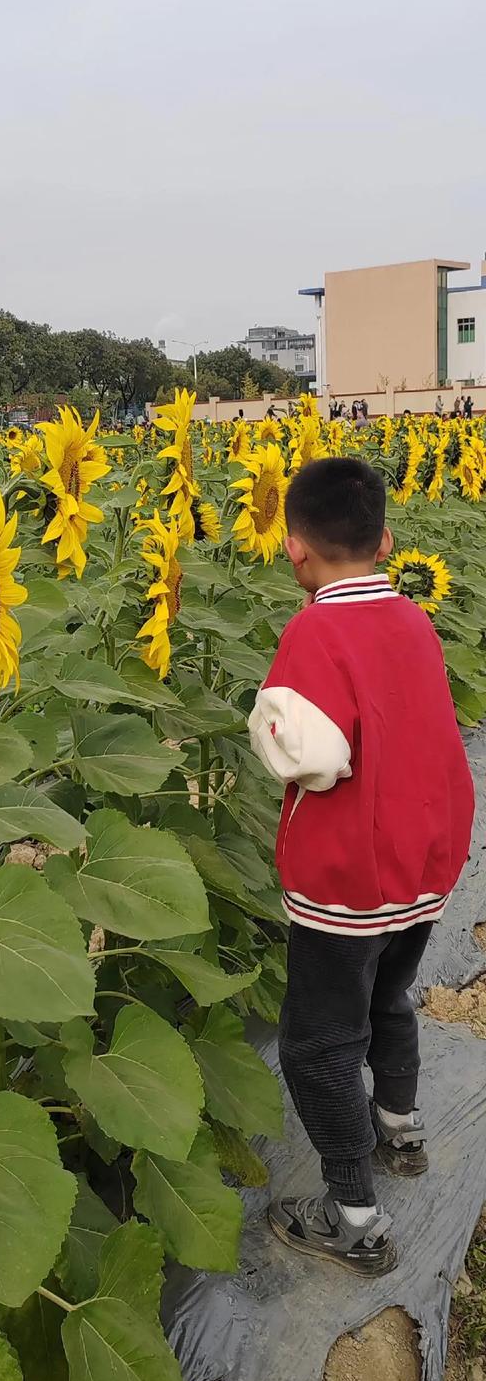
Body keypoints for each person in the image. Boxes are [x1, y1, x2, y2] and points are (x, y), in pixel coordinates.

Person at [248, 458, 474, 1277]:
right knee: (390, 995)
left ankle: (353, 1213)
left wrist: (266, 724)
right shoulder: (412, 618)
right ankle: (401, 1129)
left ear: (294, 549)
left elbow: (312, 752)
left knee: (318, 1044)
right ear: (384, 540)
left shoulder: (316, 628)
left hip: (349, 878)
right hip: (424, 864)